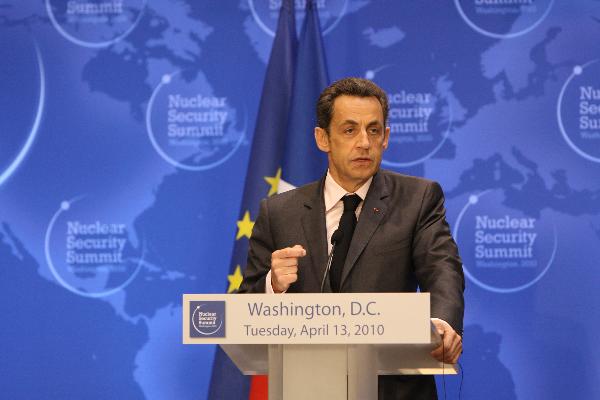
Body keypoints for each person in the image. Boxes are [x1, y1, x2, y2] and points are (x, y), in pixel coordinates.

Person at [238, 77, 464, 399]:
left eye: (374, 130)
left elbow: (443, 269)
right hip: (307, 388)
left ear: (386, 138)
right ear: (322, 138)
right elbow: (245, 307)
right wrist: (273, 286)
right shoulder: (279, 211)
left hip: (393, 390)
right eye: (349, 130)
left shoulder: (418, 199)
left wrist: (441, 322)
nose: (364, 143)